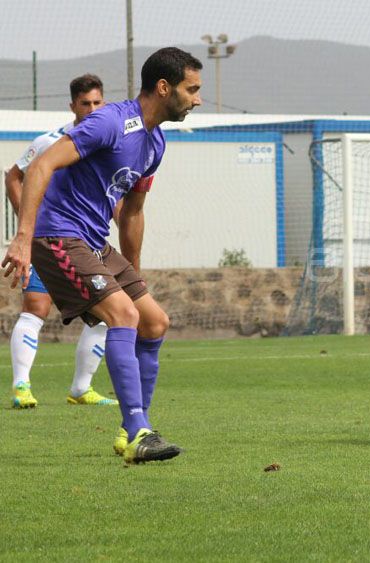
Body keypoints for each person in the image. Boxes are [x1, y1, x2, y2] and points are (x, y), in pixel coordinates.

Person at [2, 47, 203, 463]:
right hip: (57, 235)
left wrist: (133, 274)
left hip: (93, 242)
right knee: (123, 316)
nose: (197, 99)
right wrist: (22, 237)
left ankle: (134, 426)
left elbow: (132, 212)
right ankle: (137, 431)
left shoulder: (156, 143)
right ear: (164, 88)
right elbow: (40, 166)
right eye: (192, 89)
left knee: (153, 321)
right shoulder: (112, 121)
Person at [5, 74, 117, 409]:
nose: (92, 109)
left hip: (90, 242)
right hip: (51, 238)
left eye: (98, 103)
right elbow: (14, 175)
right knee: (36, 308)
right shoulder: (50, 140)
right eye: (86, 104)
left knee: (108, 314)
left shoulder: (108, 142)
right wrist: (27, 221)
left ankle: (81, 389)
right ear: (73, 106)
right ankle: (21, 386)